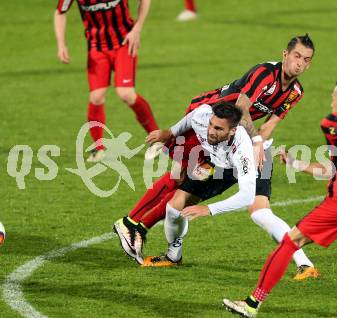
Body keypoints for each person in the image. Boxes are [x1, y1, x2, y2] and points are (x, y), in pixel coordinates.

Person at [115, 34, 319, 280]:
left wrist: (258, 146)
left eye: (306, 60)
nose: (300, 63)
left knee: (259, 211)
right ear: (285, 54)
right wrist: (170, 132)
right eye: (296, 56)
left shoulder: (295, 91)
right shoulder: (265, 75)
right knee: (178, 191)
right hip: (215, 129)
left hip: (236, 144)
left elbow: (269, 125)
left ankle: (305, 265)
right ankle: (153, 240)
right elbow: (241, 109)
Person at [223, 79, 337, 318]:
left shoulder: (333, 120)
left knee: (290, 243)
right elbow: (333, 169)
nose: (331, 103)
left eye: (334, 99)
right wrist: (296, 164)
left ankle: (252, 304)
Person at [115, 101, 257, 265]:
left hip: (234, 171)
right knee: (174, 206)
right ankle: (173, 256)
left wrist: (209, 209)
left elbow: (247, 196)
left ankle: (292, 253)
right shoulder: (203, 116)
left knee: (262, 215)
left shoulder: (242, 151)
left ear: (233, 130)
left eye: (218, 129)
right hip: (213, 161)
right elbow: (192, 117)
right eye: (211, 125)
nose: (210, 131)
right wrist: (170, 132)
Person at [54, 0, 158, 162]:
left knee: (125, 94)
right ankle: (98, 148)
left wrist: (137, 29)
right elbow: (60, 12)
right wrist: (61, 44)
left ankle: (157, 139)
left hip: (124, 43)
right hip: (96, 47)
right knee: (96, 96)